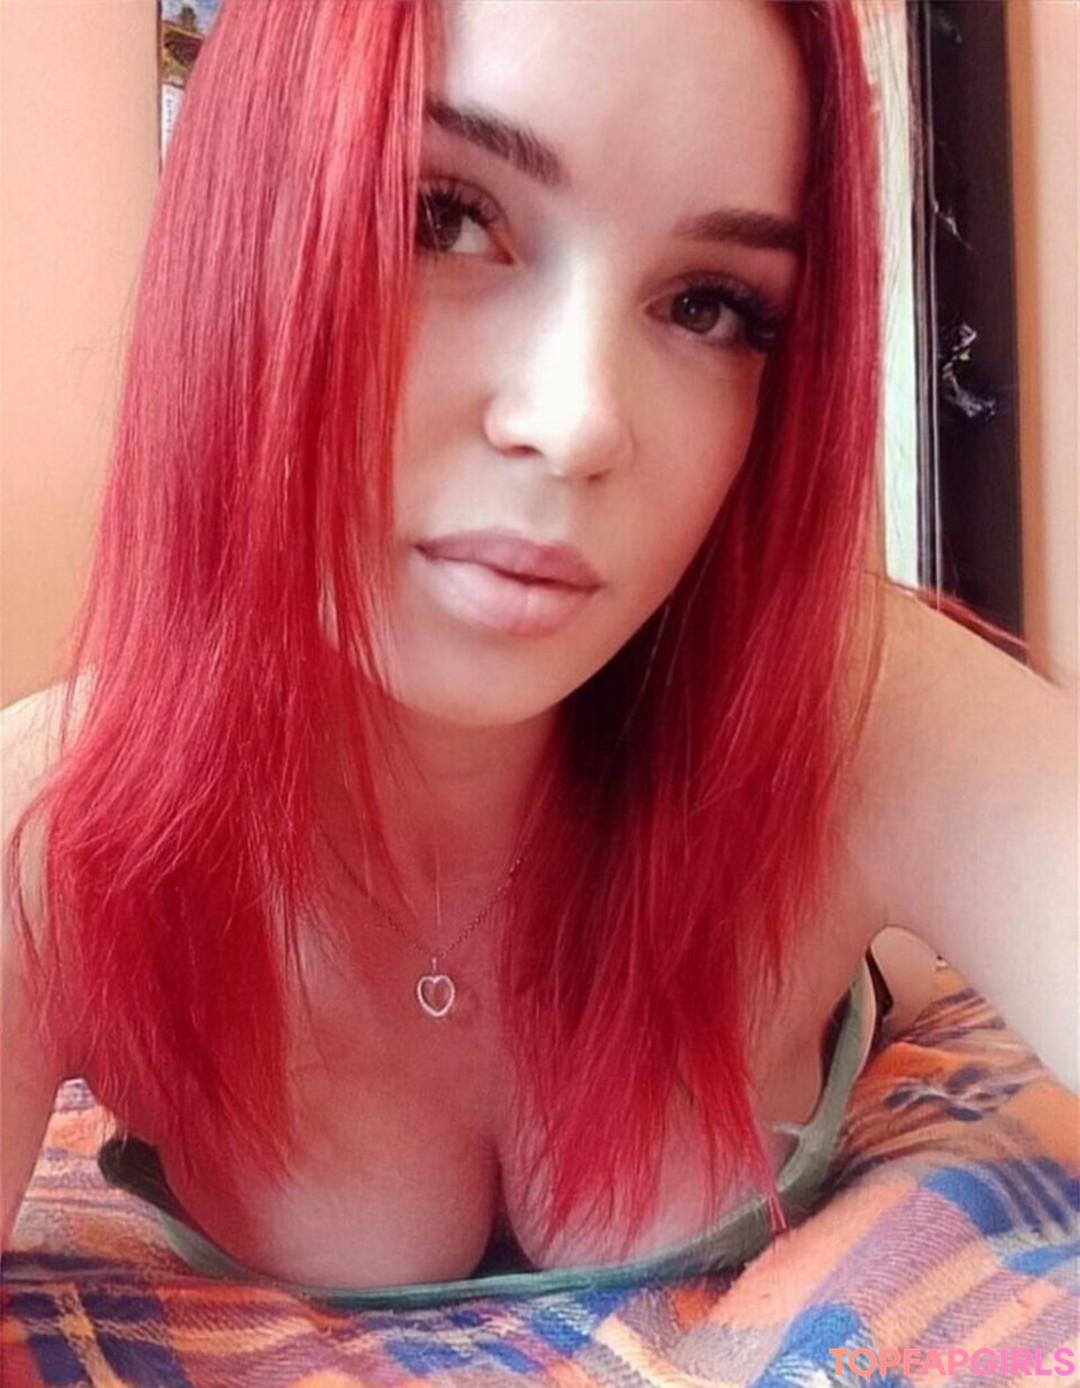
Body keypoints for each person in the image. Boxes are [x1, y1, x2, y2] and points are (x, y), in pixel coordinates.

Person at [1, 0, 1075, 1304]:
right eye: (444, 219)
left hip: (859, 932)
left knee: (900, 972)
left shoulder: (859, 704)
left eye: (711, 305)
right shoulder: (56, 835)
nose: (577, 424)